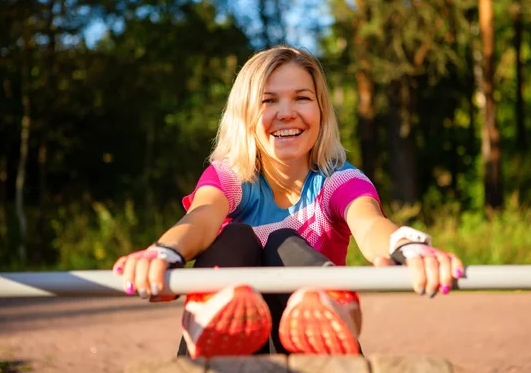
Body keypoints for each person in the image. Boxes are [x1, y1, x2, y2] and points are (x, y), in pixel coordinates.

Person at [112, 45, 464, 359]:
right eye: (269, 101)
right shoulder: (230, 177)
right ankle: (216, 316)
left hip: (309, 345)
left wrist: (406, 244)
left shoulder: (337, 179)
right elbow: (203, 215)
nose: (286, 113)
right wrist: (164, 252)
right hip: (226, 349)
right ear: (245, 115)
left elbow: (369, 222)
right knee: (236, 237)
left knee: (284, 243)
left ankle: (327, 309)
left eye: (302, 98)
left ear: (322, 111)